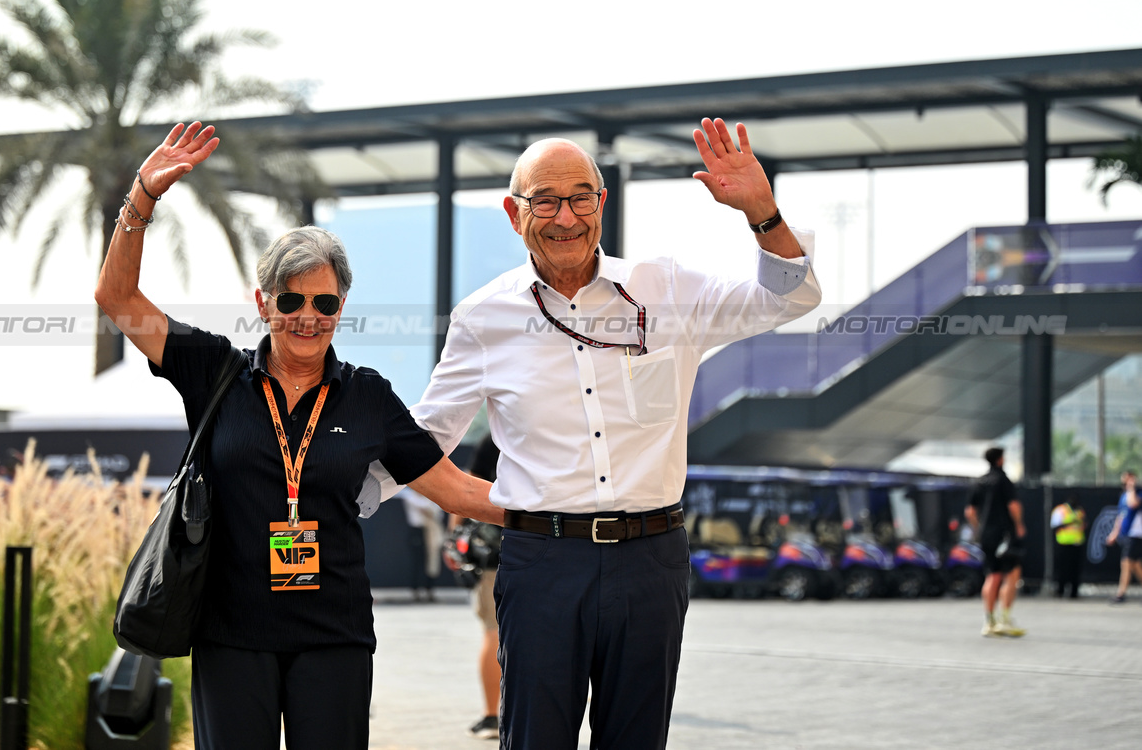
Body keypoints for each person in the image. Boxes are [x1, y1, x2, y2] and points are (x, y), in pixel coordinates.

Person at [408, 117, 821, 749]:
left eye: (580, 198)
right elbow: (423, 440)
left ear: (602, 203)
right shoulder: (483, 317)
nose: (565, 216)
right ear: (514, 213)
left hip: (650, 560)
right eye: (545, 200)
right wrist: (480, 499)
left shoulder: (666, 289)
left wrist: (761, 213)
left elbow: (789, 300)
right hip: (541, 562)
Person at [94, 122, 502, 750]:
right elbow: (116, 297)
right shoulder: (214, 371)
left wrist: (565, 511)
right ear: (263, 302)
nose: (308, 316)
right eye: (291, 300)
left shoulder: (367, 396)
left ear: (342, 305)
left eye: (326, 302)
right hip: (230, 636)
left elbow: (455, 489)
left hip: (333, 639)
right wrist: (142, 197)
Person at [446, 435, 503, 740]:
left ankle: (493, 717)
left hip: (495, 551)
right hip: (550, 545)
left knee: (493, 633)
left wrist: (453, 539)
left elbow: (466, 489)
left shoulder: (493, 437)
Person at [964, 447, 1026, 638]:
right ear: (1000, 460)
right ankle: (1004, 619)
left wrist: (979, 529)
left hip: (986, 536)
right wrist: (1019, 525)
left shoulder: (980, 481)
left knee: (992, 575)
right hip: (1004, 534)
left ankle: (989, 621)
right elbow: (1013, 506)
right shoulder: (1003, 480)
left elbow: (970, 512)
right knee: (1012, 574)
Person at [1105, 470, 1141, 604]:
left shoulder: (1137, 493)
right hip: (1126, 534)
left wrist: (1132, 488)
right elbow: (1121, 516)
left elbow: (1133, 504)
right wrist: (1114, 534)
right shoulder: (1123, 496)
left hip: (1136, 535)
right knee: (1135, 565)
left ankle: (1121, 594)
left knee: (1126, 563)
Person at [1049, 492, 1086, 598]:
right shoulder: (1060, 510)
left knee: (1075, 569)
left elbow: (1084, 524)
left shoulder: (1080, 511)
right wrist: (1070, 523)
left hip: (1077, 543)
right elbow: (1055, 526)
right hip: (1064, 543)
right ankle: (1060, 590)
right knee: (1063, 569)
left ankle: (1074, 592)